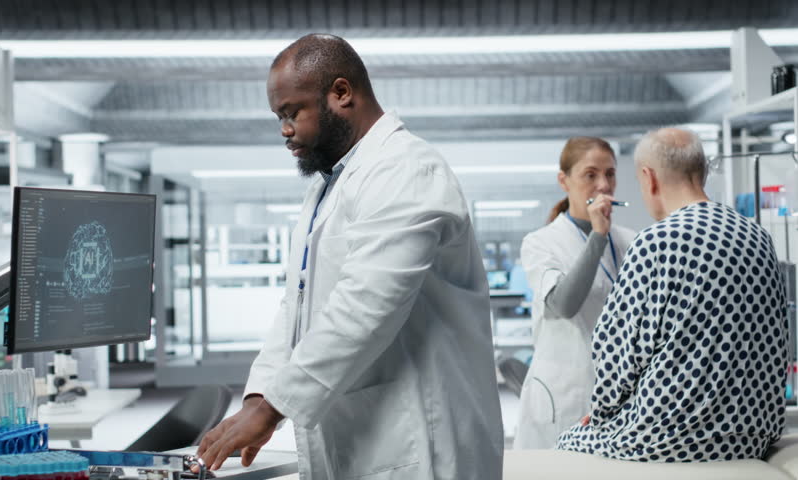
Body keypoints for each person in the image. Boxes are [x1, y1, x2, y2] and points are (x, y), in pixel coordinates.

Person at [196, 34, 504, 479]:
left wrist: (273, 409)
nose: (284, 130)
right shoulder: (329, 186)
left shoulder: (406, 168)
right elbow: (297, 306)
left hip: (423, 439)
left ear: (341, 93)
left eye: (291, 112)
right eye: (278, 117)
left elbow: (367, 304)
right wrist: (259, 396)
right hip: (365, 433)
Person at [557, 128, 788, 461]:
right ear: (701, 172)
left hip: (668, 440)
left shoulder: (657, 242)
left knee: (566, 440)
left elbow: (616, 354)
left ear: (649, 179)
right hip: (750, 435)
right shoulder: (758, 237)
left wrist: (601, 418)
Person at [515, 137, 637, 449]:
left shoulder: (631, 241)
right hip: (565, 393)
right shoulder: (540, 243)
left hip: (617, 397)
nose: (603, 185)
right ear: (563, 181)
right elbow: (563, 304)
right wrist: (597, 236)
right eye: (590, 175)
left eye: (610, 174)